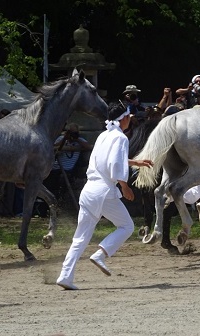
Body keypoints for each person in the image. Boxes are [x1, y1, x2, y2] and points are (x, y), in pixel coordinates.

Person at [57, 103, 153, 290]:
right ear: (123, 118)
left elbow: (107, 160)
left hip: (89, 190)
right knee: (127, 226)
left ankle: (65, 276)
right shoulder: (120, 138)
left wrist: (135, 162)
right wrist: (124, 185)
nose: (130, 120)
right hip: (104, 192)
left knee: (80, 237)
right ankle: (100, 254)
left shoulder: (104, 135)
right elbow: (115, 164)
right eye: (129, 117)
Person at [44, 123, 93, 200]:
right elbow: (52, 146)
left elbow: (88, 146)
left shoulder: (80, 141)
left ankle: (61, 198)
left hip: (68, 170)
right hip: (56, 168)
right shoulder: (61, 139)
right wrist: (65, 139)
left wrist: (77, 139)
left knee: (63, 181)